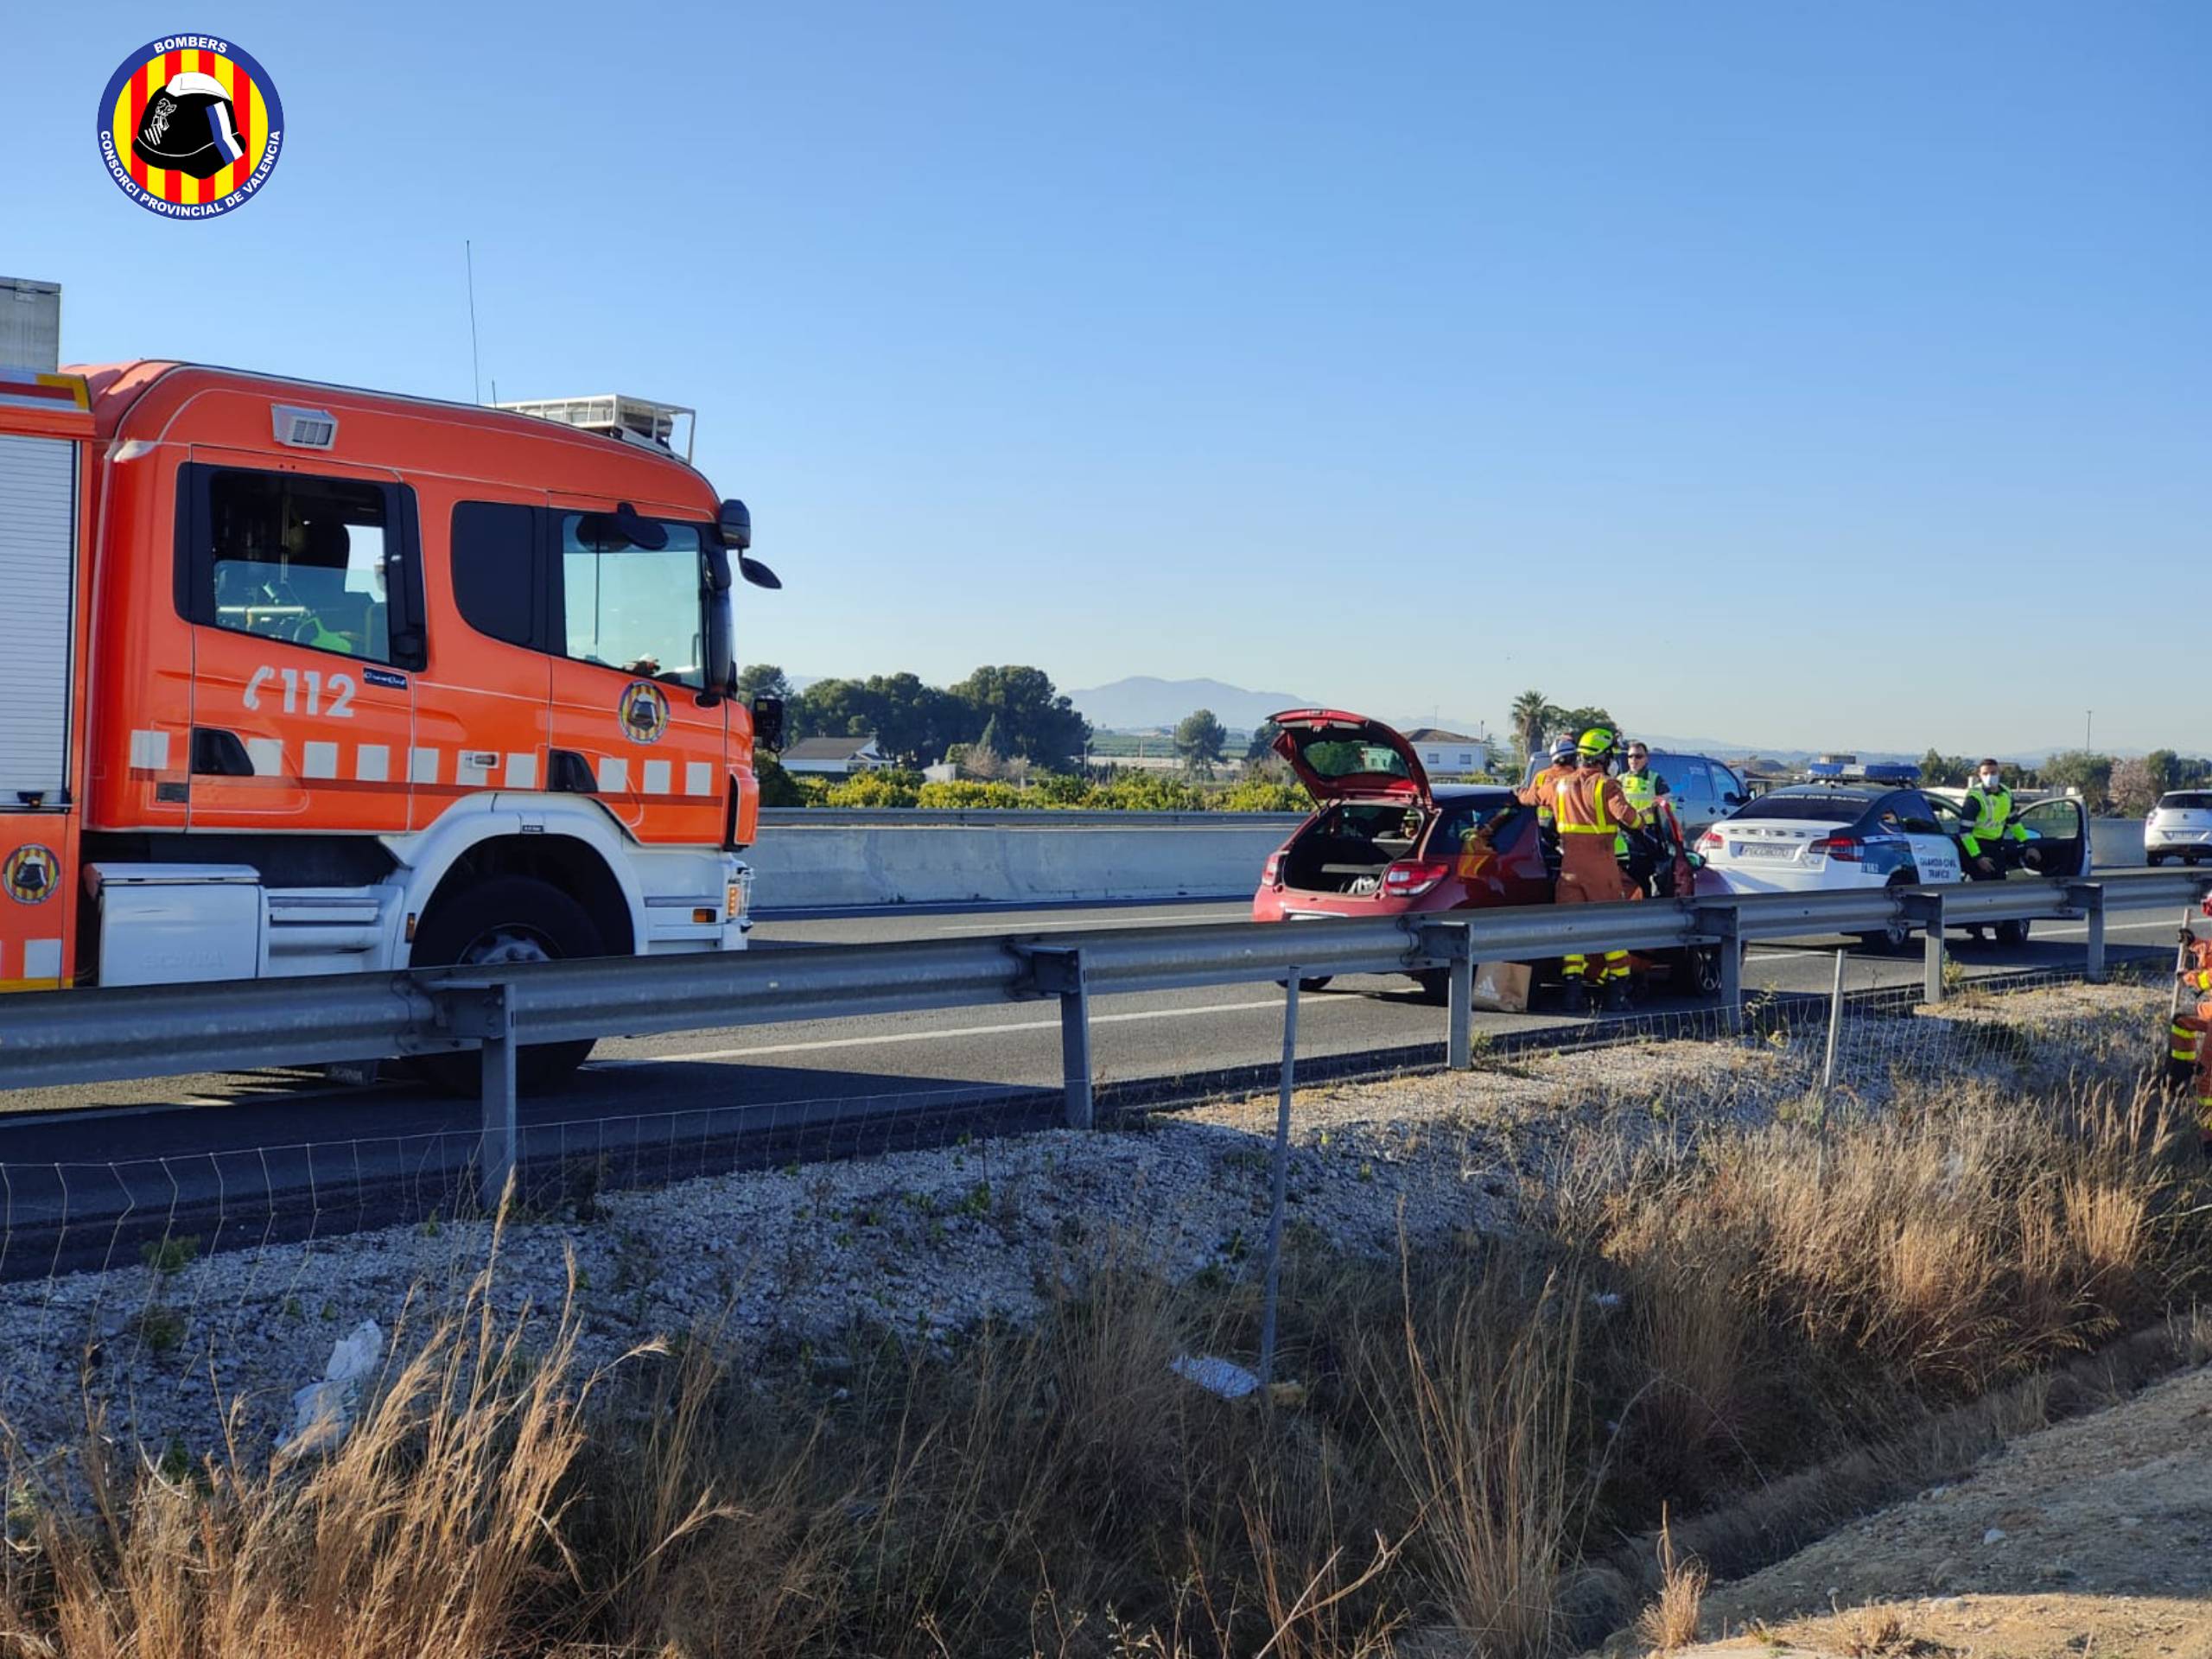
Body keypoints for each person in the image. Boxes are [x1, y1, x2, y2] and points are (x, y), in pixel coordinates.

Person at [1547, 727, 1643, 1012]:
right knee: (1612, 931)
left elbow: (1530, 796)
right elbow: (1629, 819)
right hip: (1602, 871)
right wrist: (1643, 820)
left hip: (1568, 871)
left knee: (1572, 932)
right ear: (1602, 757)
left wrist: (1518, 794)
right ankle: (1617, 993)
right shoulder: (1606, 785)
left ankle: (1572, 994)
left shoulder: (1560, 785)